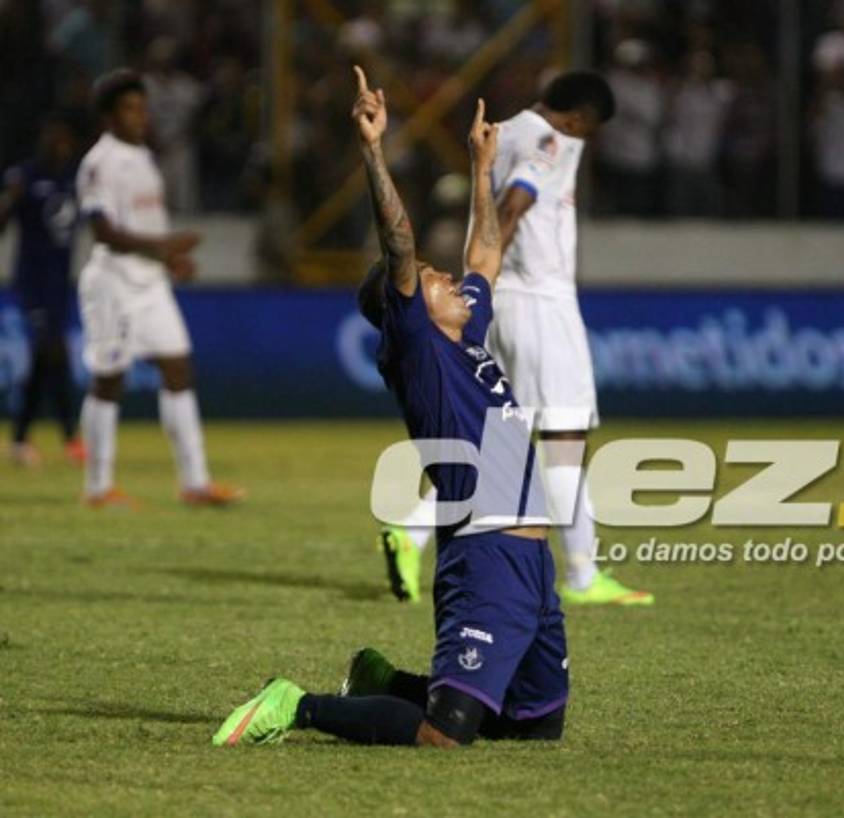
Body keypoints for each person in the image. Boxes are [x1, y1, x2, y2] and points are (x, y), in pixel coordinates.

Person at [212, 68, 566, 748]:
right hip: (486, 555)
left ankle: (382, 680)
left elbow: (486, 255)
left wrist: (481, 167)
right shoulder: (422, 349)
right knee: (444, 735)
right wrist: (374, 148)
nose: (447, 277)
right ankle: (298, 705)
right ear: (408, 312)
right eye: (431, 279)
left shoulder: (464, 334)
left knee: (535, 725)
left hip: (530, 562)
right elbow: (398, 244)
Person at [378, 70, 654, 606]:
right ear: (579, 120)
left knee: (498, 444)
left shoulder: (500, 132)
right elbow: (515, 202)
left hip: (500, 304)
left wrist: (482, 285)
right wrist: (485, 273)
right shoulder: (551, 141)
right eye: (589, 130)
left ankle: (410, 531)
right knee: (565, 436)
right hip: (539, 302)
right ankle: (583, 575)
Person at [75, 68, 242, 507]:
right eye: (130, 109)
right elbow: (103, 232)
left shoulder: (144, 157)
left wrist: (168, 259)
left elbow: (143, 225)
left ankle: (195, 483)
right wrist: (164, 247)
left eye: (142, 108)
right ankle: (97, 487)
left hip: (150, 283)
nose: (140, 116)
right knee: (109, 379)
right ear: (109, 116)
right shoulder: (100, 163)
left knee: (178, 367)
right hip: (113, 282)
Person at [1, 116, 85, 467]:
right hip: (33, 282)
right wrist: (9, 200)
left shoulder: (74, 180)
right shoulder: (25, 176)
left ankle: (20, 439)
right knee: (53, 350)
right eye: (53, 138)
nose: (59, 146)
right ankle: (70, 437)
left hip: (60, 283)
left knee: (44, 359)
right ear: (43, 141)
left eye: (65, 139)